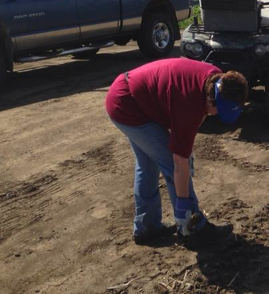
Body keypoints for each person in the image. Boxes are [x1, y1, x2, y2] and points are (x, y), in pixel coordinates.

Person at [105, 57, 249, 248]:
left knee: (147, 165)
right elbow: (178, 163)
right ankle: (192, 229)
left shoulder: (217, 79)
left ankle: (147, 227)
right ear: (209, 98)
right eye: (217, 110)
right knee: (172, 164)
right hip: (127, 106)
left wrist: (186, 147)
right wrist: (183, 206)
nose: (215, 115)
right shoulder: (189, 104)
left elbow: (198, 117)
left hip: (130, 94)